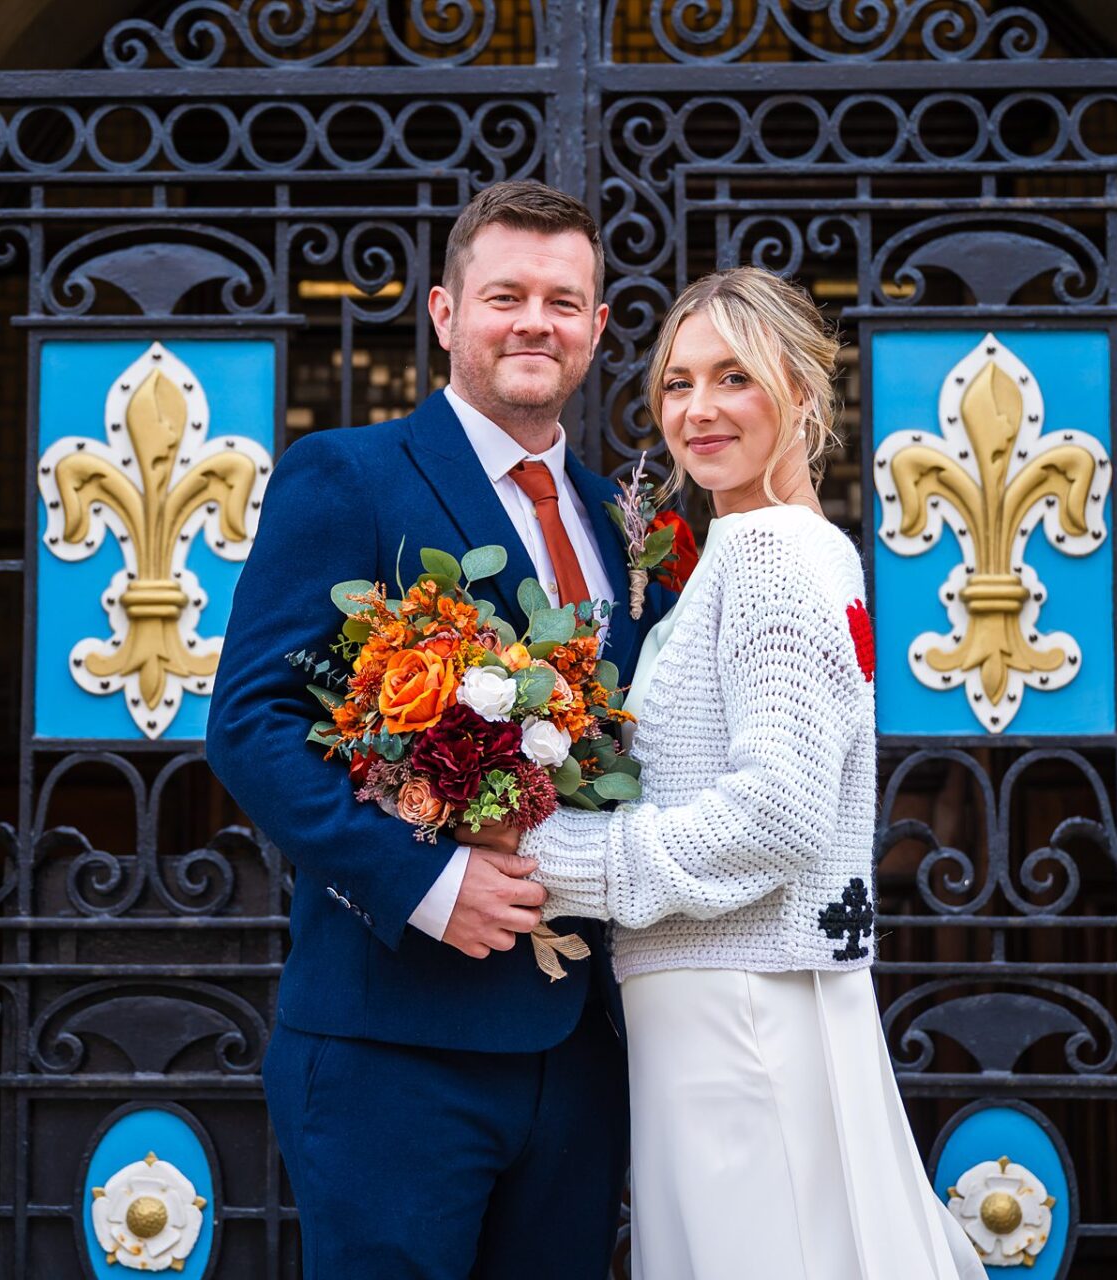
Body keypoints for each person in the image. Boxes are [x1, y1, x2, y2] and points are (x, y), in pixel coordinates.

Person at [463, 267, 989, 1279]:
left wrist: (551, 857)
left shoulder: (772, 555)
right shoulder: (780, 547)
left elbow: (776, 814)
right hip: (730, 997)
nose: (697, 411)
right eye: (676, 383)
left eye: (733, 378)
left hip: (740, 1007)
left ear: (798, 390)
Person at [207, 180, 667, 1279]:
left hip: (585, 1048)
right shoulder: (349, 474)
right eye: (504, 294)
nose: (533, 322)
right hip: (392, 1045)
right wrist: (424, 880)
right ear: (445, 313)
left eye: (563, 301)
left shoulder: (625, 519)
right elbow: (252, 722)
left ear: (597, 329)